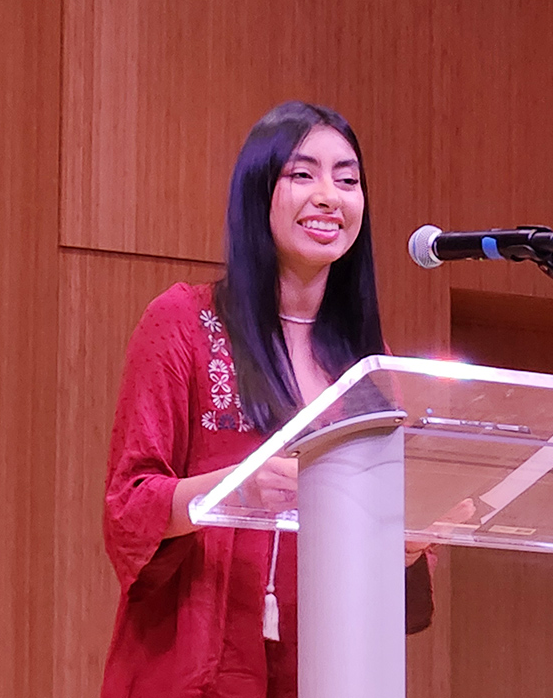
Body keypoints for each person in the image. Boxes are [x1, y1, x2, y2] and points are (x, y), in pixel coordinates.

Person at [101, 101, 433, 698]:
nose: (330, 196)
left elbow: (387, 574)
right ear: (259, 193)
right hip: (199, 665)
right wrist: (237, 491)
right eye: (303, 174)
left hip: (329, 667)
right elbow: (129, 506)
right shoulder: (183, 320)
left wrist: (406, 543)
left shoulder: (368, 360)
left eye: (348, 179)